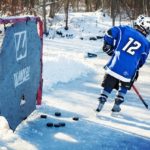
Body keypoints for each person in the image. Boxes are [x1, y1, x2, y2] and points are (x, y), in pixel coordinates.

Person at [96, 15, 150, 113]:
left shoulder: (125, 29)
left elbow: (109, 32)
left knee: (110, 80)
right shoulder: (146, 43)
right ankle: (117, 104)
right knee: (128, 78)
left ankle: (102, 101)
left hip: (114, 67)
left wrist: (108, 45)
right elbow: (141, 61)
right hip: (128, 72)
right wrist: (136, 69)